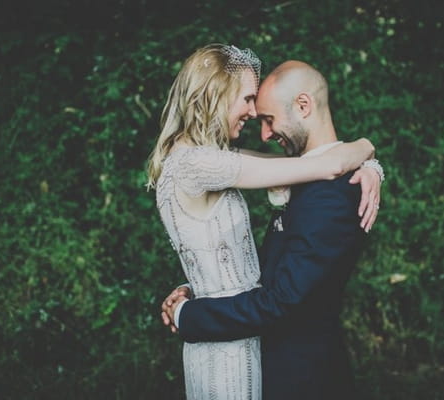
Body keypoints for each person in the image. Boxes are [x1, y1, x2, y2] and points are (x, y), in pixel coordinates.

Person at [149, 44, 381, 400]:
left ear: (303, 105)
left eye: (267, 118)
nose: (258, 122)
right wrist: (367, 151)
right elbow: (325, 166)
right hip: (244, 351)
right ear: (217, 95)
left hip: (297, 371)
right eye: (247, 101)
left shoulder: (330, 194)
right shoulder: (202, 163)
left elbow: (277, 292)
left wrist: (191, 308)